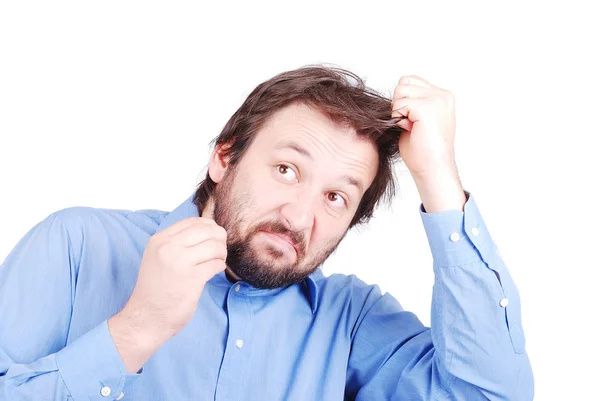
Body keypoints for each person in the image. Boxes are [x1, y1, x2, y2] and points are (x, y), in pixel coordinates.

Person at [0, 65, 534, 400]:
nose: (300, 218)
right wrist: (136, 330)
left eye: (335, 197)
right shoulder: (75, 248)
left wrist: (438, 178)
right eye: (287, 170)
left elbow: (490, 395)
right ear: (224, 156)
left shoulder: (349, 323)